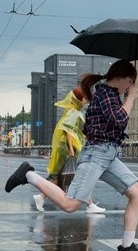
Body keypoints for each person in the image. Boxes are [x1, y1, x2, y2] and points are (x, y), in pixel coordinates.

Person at [5, 60, 138, 251]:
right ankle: (28, 174)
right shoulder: (105, 94)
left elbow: (113, 125)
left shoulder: (111, 95)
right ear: (123, 77)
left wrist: (125, 98)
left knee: (136, 192)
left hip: (108, 154)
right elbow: (119, 120)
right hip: (96, 154)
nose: (131, 87)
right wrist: (131, 98)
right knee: (70, 204)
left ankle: (127, 246)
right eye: (131, 82)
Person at [33, 86, 104, 214]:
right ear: (78, 99)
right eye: (84, 99)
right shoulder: (73, 112)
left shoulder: (73, 110)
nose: (86, 102)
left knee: (63, 177)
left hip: (70, 147)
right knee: (82, 175)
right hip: (69, 148)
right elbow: (68, 131)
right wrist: (71, 149)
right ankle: (90, 205)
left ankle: (42, 196)